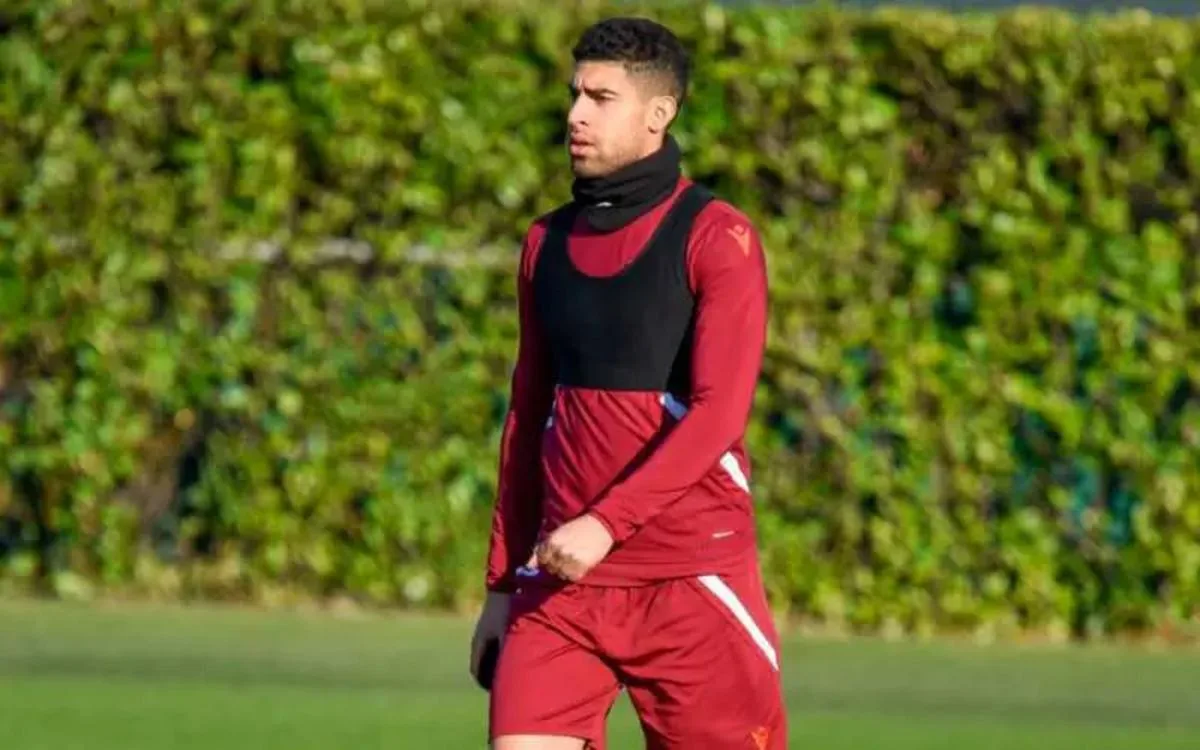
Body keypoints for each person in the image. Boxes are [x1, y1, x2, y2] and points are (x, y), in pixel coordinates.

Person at [469, 16, 786, 750]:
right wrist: (501, 586)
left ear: (658, 113)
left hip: (689, 583)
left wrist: (606, 525)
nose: (575, 115)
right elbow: (527, 416)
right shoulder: (545, 242)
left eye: (601, 98)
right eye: (574, 94)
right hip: (561, 581)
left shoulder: (718, 237)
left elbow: (719, 416)